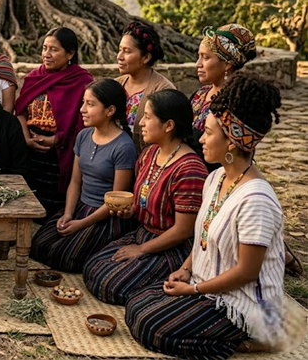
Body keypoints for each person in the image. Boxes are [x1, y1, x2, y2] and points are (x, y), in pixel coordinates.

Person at [125, 71, 300, 359]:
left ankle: (258, 335)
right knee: (136, 305)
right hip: (208, 286)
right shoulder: (216, 178)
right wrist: (185, 270)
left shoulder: (256, 200)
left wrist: (193, 290)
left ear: (231, 141)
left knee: (152, 328)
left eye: (207, 132)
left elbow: (246, 273)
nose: (201, 138)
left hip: (242, 303)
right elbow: (202, 235)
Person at [83, 89, 207, 305]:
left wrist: (141, 250)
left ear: (168, 125)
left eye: (148, 117)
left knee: (110, 284)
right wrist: (129, 210)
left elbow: (183, 230)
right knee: (92, 267)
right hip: (143, 233)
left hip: (171, 246)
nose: (141, 122)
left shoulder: (189, 169)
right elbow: (142, 200)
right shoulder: (150, 154)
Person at [31, 79, 137, 272]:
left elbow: (116, 201)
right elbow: (75, 181)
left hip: (104, 215)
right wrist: (68, 214)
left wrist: (80, 224)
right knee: (39, 244)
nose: (82, 109)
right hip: (80, 207)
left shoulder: (123, 147)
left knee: (64, 257)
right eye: (83, 103)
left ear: (110, 110)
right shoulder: (83, 136)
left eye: (90, 104)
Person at [15, 27, 94, 218]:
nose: (47, 54)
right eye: (44, 48)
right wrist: (26, 138)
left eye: (54, 49)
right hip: (31, 150)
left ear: (70, 54)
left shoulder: (81, 81)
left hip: (62, 152)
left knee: (53, 206)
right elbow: (20, 111)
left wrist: (56, 140)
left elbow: (82, 122)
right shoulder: (35, 78)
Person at [190, 24, 256, 171]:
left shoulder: (237, 102)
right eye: (198, 56)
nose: (198, 64)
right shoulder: (199, 95)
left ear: (227, 64)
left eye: (206, 57)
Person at [115, 21, 175, 152]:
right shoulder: (115, 85)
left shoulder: (162, 91)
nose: (119, 57)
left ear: (146, 57)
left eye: (127, 51)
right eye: (120, 50)